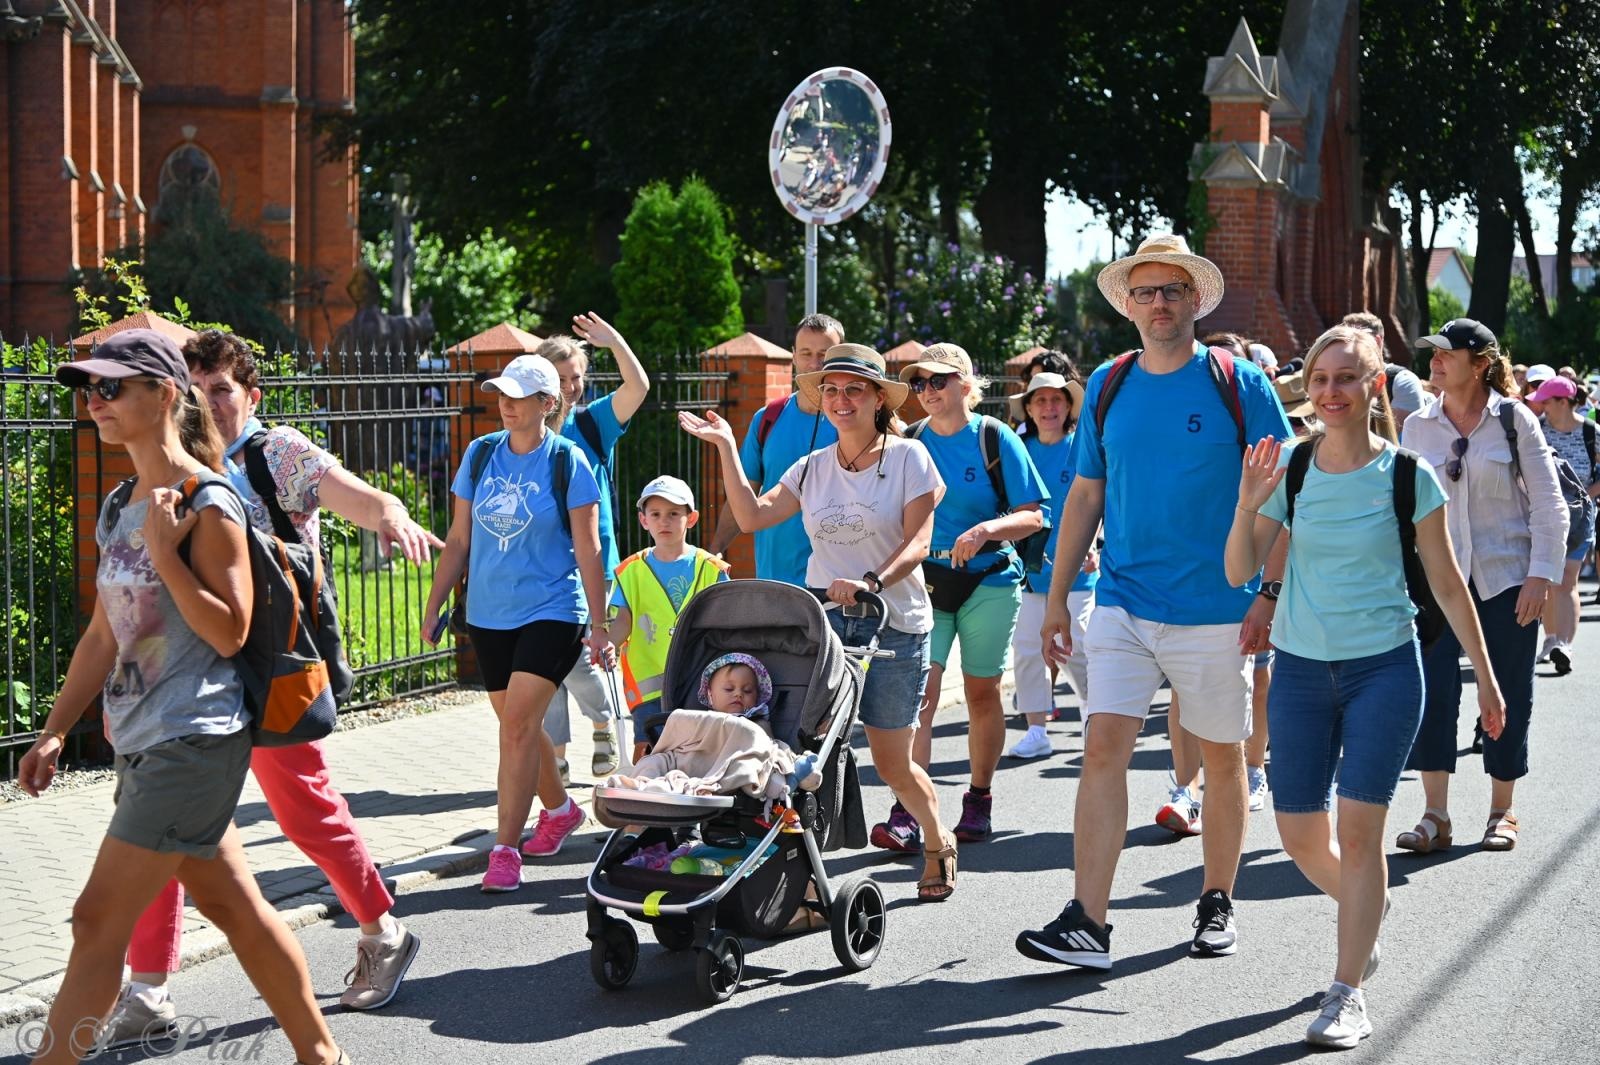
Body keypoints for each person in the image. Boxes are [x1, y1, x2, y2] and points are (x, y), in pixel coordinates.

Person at [20, 330, 348, 1065]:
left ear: (164, 394)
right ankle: (322, 1055)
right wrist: (52, 730)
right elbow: (105, 635)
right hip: (144, 739)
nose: (93, 402)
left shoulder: (210, 499)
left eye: (110, 388)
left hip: (193, 737)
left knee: (94, 918)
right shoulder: (119, 504)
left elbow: (229, 632)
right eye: (89, 389)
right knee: (235, 907)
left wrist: (167, 554)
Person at [100, 331, 439, 1041]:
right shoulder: (171, 470)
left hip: (271, 669)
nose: (209, 401)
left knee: (304, 811)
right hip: (188, 684)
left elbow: (354, 493)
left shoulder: (274, 452)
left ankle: (382, 932)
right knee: (160, 824)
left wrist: (392, 512)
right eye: (197, 388)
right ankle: (149, 988)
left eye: (222, 387)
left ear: (251, 395)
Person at [1224, 324, 1506, 1049]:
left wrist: (1489, 679)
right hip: (1300, 670)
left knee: (1360, 830)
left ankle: (1347, 988)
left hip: (1384, 666)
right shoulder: (1290, 468)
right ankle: (1365, 916)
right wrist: (1247, 500)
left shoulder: (1409, 472)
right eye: (1320, 380)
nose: (1331, 392)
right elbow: (1236, 572)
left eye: (1347, 377)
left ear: (1374, 384)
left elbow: (1446, 582)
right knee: (1297, 834)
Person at [1015, 234, 1291, 971]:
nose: (1159, 302)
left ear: (1194, 300)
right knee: (1102, 747)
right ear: (1128, 304)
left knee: (1223, 759)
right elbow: (1084, 496)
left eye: (1172, 290)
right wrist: (1052, 597)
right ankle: (1089, 922)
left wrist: (1266, 592)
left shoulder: (1238, 382)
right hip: (1122, 604)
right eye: (1146, 292)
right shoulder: (1108, 383)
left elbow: (1282, 497)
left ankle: (1216, 901)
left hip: (1216, 609)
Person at [681, 343, 959, 902]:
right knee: (809, 756)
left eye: (854, 389)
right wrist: (727, 449)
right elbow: (755, 514)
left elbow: (921, 541)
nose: (840, 399)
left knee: (892, 762)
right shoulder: (811, 467)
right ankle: (803, 878)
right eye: (830, 390)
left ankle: (936, 839)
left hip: (892, 624)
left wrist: (872, 581)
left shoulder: (909, 459)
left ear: (879, 398)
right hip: (826, 627)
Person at [422, 354, 614, 892]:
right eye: (501, 394)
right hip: (488, 613)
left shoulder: (568, 461)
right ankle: (559, 811)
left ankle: (504, 850)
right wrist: (436, 603)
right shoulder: (481, 455)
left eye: (518, 396)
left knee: (517, 728)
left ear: (546, 404)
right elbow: (458, 538)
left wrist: (599, 626)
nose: (505, 404)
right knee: (519, 727)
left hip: (553, 609)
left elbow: (589, 547)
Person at [1400, 319, 1568, 854]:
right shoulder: (1418, 427)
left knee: (1511, 689)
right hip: (1438, 584)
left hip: (1507, 580)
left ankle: (1502, 809)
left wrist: (1541, 575)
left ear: (1479, 363)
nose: (1436, 361)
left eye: (1448, 354)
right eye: (1434, 353)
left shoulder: (1514, 419)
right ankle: (1435, 814)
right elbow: (1403, 512)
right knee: (1434, 693)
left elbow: (1548, 504)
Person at [896, 343, 1046, 845]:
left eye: (937, 381)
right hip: (925, 582)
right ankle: (909, 807)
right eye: (918, 383)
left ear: (965, 383)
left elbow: (1033, 515)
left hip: (988, 581)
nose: (926, 392)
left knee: (982, 693)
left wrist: (985, 530)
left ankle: (978, 797)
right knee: (921, 696)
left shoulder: (993, 437)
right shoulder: (910, 441)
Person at [541, 316, 650, 784]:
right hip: (542, 566)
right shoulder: (523, 431)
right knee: (544, 664)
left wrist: (615, 341)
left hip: (595, 566)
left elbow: (638, 387)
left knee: (583, 658)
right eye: (561, 378)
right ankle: (556, 757)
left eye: (577, 377)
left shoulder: (592, 423)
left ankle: (605, 723)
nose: (571, 387)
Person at [707, 314, 844, 583]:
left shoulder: (852, 422)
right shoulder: (768, 418)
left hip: (834, 588)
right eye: (806, 353)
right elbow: (743, 495)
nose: (814, 364)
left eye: (823, 354)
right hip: (772, 581)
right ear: (793, 356)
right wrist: (715, 551)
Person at [1005, 370, 1095, 760]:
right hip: (1027, 570)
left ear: (1069, 407)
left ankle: (1097, 719)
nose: (1049, 408)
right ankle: (1037, 729)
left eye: (1057, 400)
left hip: (1075, 569)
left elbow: (1098, 500)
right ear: (1028, 408)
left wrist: (1095, 545)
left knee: (1080, 649)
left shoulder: (1082, 447)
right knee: (1027, 650)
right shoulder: (1017, 448)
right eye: (1040, 401)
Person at [609, 475, 730, 757]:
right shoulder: (630, 571)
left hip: (698, 681)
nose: (664, 521)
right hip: (648, 688)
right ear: (644, 520)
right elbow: (623, 620)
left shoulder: (711, 568)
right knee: (649, 750)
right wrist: (608, 643)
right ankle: (645, 798)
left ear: (691, 518)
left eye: (674, 513)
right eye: (656, 514)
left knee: (694, 750)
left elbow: (726, 621)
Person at [1523, 376, 1598, 674]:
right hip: (1544, 515)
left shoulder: (1592, 432)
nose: (1540, 406)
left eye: (1546, 401)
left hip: (1581, 516)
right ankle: (1551, 639)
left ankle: (1563, 644)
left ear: (1564, 402)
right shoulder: (1536, 430)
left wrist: (1584, 496)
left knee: (1567, 581)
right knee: (1550, 581)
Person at [1340, 311, 1429, 429]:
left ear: (1377, 341)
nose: (1347, 346)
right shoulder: (1335, 379)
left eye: (1356, 339)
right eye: (1343, 339)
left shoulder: (1402, 380)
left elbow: (1390, 433)